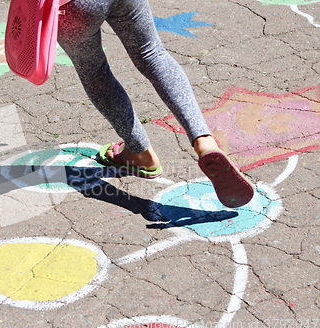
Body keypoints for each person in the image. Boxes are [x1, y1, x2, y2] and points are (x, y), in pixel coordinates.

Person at [56, 0, 254, 208]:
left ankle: (140, 153)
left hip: (71, 7)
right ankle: (204, 140)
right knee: (153, 55)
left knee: (95, 72)